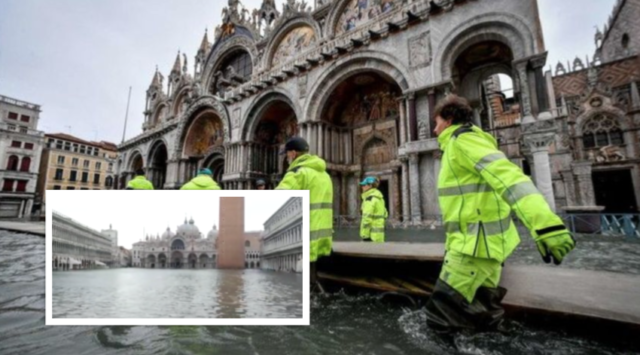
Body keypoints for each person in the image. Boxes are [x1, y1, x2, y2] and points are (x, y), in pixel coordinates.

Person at [425, 95, 576, 332]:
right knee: (485, 318)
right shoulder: (468, 142)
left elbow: (511, 178)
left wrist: (546, 225)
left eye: (436, 123)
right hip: (483, 248)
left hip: (472, 249)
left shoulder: (463, 142)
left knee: (440, 322)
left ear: (449, 119)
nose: (434, 130)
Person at [275, 137, 333, 288]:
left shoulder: (298, 173)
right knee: (312, 282)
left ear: (293, 153)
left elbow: (278, 198)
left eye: (286, 154)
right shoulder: (325, 175)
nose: (286, 158)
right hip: (322, 239)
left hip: (305, 239)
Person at [359, 176, 388, 243]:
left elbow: (366, 219)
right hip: (379, 235)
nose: (362, 186)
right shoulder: (380, 198)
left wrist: (365, 236)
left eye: (364, 185)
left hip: (370, 236)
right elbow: (385, 214)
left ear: (370, 185)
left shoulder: (369, 199)